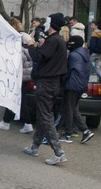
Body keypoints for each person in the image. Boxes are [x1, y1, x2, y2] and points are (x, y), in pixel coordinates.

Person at [23, 12, 68, 165]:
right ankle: (35, 146)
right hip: (53, 83)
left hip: (46, 83)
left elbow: (38, 57)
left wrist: (30, 44)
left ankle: (58, 152)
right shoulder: (57, 40)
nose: (45, 24)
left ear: (52, 24)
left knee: (46, 117)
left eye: (47, 21)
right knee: (43, 115)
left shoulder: (53, 40)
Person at [0, 19, 34, 134]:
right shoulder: (24, 38)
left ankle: (27, 123)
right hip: (24, 75)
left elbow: (18, 59)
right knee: (14, 98)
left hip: (19, 75)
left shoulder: (17, 40)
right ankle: (6, 121)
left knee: (19, 100)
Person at [60, 36, 95, 144]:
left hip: (72, 84)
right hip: (81, 85)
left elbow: (67, 71)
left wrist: (62, 82)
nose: (68, 44)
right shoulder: (84, 54)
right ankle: (86, 131)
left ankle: (68, 134)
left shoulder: (73, 55)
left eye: (70, 42)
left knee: (68, 109)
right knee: (74, 108)